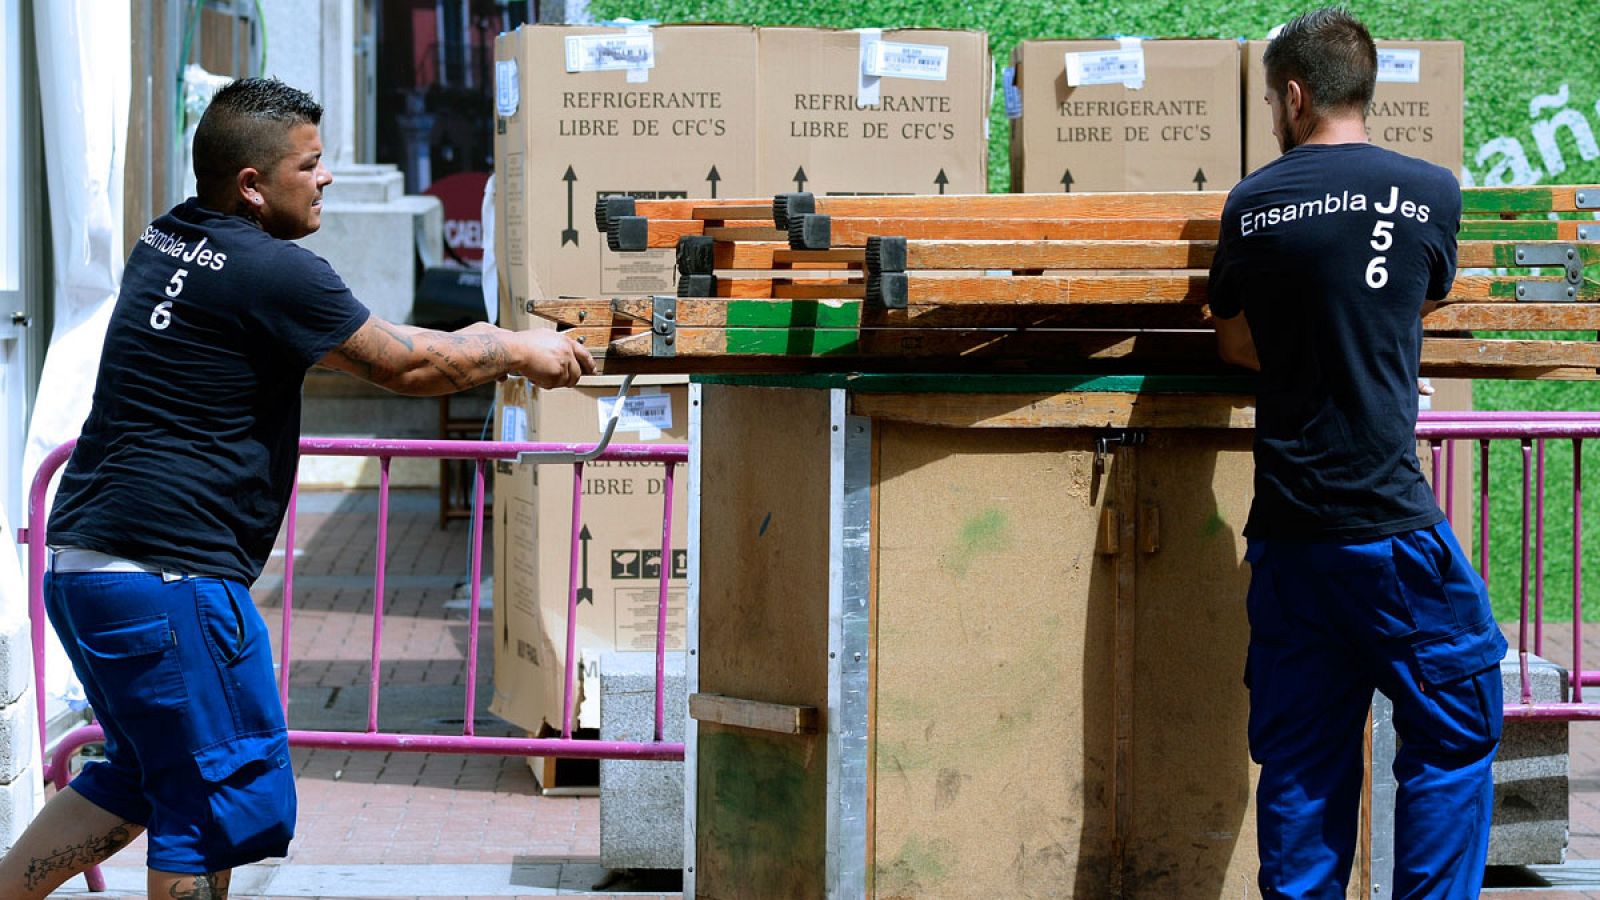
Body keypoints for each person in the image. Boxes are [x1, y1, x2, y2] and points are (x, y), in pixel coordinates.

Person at [0, 77, 593, 898]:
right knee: (212, 804)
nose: (326, 179)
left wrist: (496, 337)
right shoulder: (274, 271)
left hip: (88, 570)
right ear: (252, 184)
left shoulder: (168, 240)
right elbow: (409, 363)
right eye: (310, 165)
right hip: (169, 581)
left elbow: (384, 337)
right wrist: (519, 351)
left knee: (143, 778)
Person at [1208, 9, 1505, 899]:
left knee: (1301, 762)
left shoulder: (1253, 202)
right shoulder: (1429, 191)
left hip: (1292, 536)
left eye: (1270, 100)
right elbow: (1413, 304)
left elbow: (1233, 345)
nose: (1272, 115)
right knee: (1455, 726)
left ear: (1294, 97)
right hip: (1389, 529)